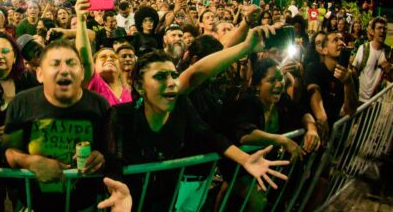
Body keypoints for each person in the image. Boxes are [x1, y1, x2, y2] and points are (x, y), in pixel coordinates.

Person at [106, 28, 290, 210]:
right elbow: (112, 161)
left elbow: (209, 135)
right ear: (139, 85)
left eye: (174, 76)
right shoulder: (121, 115)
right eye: (160, 76)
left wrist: (244, 159)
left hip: (167, 199)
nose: (171, 83)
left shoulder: (181, 105)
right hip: (129, 201)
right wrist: (117, 190)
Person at [3, 40, 109, 210]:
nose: (64, 70)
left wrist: (100, 158)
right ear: (39, 74)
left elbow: (109, 151)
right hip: (33, 205)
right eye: (55, 64)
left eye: (71, 63)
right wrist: (30, 162)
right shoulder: (22, 103)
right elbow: (8, 152)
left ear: (82, 72)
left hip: (85, 206)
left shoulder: (99, 105)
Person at [225, 58, 320, 210]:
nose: (278, 85)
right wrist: (282, 140)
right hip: (241, 167)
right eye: (271, 80)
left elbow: (303, 113)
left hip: (266, 166)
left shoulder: (282, 100)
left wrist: (312, 129)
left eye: (280, 78)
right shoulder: (248, 102)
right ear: (257, 84)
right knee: (258, 203)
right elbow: (245, 134)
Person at [305, 31, 359, 140]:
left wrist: (348, 83)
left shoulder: (351, 76)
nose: (341, 43)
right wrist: (322, 117)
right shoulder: (314, 68)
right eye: (335, 40)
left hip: (336, 136)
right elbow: (314, 93)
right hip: (315, 131)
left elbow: (351, 111)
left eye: (342, 40)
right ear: (324, 50)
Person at [352, 17, 393, 103]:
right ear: (372, 31)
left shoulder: (390, 52)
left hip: (377, 102)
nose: (382, 31)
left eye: (384, 29)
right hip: (360, 100)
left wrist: (389, 70)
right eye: (379, 28)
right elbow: (354, 72)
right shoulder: (364, 48)